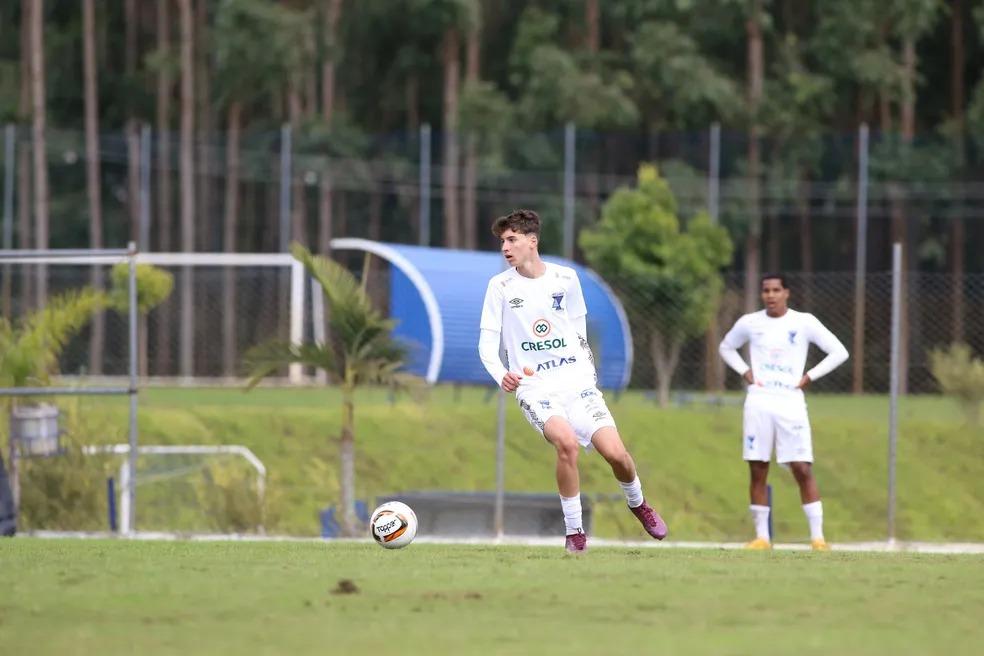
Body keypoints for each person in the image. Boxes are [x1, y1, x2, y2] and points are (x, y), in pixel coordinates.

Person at [478, 209, 667, 553]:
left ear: (531, 241)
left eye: (511, 240)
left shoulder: (565, 279)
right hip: (535, 389)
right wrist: (501, 374)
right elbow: (487, 344)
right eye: (502, 242)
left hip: (577, 385)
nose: (505, 247)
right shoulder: (500, 287)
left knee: (618, 456)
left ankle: (639, 504)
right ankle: (575, 532)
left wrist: (585, 371)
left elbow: (578, 329)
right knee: (566, 444)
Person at [718, 274, 848, 551]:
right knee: (758, 467)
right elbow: (726, 347)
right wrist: (745, 372)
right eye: (766, 290)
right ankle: (762, 538)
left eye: (776, 290)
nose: (771, 295)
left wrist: (809, 376)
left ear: (786, 293)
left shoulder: (804, 322)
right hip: (759, 401)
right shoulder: (750, 323)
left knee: (801, 467)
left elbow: (839, 352)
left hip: (790, 401)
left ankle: (818, 538)